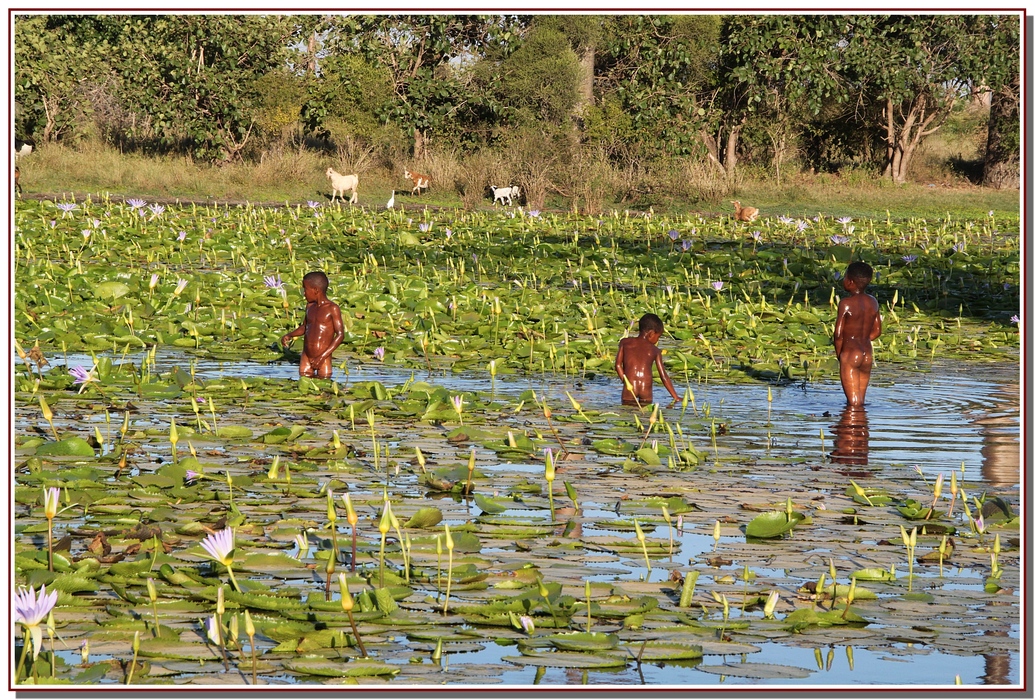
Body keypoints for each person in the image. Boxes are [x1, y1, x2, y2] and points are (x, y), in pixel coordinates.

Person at [833, 261, 882, 406]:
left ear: (850, 281)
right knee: (860, 400)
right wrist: (863, 340)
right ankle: (861, 428)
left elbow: (838, 334)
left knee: (853, 403)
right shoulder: (873, 302)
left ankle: (850, 426)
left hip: (850, 353)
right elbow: (878, 331)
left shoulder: (846, 303)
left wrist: (841, 354)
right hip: (867, 353)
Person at [281, 271, 344, 379]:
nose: (304, 293)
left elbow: (340, 335)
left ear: (315, 290)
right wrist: (289, 335)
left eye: (305, 289)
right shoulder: (310, 307)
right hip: (306, 355)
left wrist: (322, 357)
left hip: (323, 357)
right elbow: (305, 327)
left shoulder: (332, 308)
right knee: (303, 383)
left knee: (324, 385)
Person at [615, 313, 681, 406]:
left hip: (629, 387)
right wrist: (676, 397)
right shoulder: (655, 350)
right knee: (645, 415)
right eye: (658, 337)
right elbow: (663, 376)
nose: (657, 340)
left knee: (626, 414)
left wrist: (625, 382)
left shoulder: (625, 343)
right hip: (645, 389)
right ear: (651, 334)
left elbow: (618, 365)